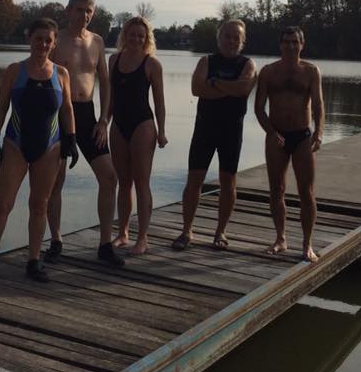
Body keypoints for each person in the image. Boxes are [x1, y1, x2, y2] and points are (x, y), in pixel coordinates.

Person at [0, 18, 77, 283]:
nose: (42, 44)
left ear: (54, 43)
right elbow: (1, 107)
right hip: (15, 145)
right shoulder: (14, 71)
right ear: (29, 38)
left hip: (50, 147)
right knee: (3, 204)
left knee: (39, 205)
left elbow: (67, 109)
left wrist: (71, 139)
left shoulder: (61, 74)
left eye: (48, 40)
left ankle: (33, 261)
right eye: (38, 38)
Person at [45, 0, 125, 267]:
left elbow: (105, 81)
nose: (85, 15)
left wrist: (104, 120)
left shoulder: (97, 41)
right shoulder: (56, 39)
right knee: (55, 181)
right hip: (59, 115)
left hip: (88, 115)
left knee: (109, 177)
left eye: (89, 10)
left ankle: (105, 244)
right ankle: (56, 240)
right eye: (79, 9)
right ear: (68, 10)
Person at [172, 20, 257, 251]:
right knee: (194, 180)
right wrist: (229, 88)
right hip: (205, 129)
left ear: (242, 41)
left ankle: (220, 232)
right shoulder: (206, 61)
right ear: (219, 39)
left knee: (228, 182)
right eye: (227, 36)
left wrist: (215, 83)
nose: (231, 41)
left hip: (231, 131)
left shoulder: (247, 64)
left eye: (236, 37)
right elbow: (197, 89)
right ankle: (186, 231)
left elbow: (243, 89)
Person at [254, 26, 324, 261]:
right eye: (286, 41)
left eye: (295, 42)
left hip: (303, 136)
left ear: (302, 44)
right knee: (276, 189)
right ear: (280, 44)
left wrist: (319, 133)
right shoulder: (268, 72)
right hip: (276, 135)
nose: (291, 46)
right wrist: (271, 132)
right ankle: (280, 239)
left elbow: (319, 105)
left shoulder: (311, 71)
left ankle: (307, 244)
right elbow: (259, 108)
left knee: (307, 191)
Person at [109, 16, 167, 255]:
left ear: (147, 39)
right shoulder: (113, 59)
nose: (135, 39)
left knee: (142, 182)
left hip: (143, 124)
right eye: (132, 34)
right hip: (118, 124)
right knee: (123, 182)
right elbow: (110, 97)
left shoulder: (152, 64)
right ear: (125, 35)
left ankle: (142, 238)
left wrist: (162, 131)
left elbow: (159, 102)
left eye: (140, 36)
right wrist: (103, 122)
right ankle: (123, 233)